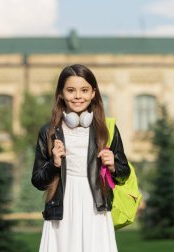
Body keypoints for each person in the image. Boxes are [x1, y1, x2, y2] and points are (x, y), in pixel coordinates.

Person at [31, 64, 131, 252]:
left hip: (95, 205)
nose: (78, 96)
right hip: (62, 209)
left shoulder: (106, 130)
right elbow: (37, 180)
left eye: (84, 90)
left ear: (93, 93)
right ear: (61, 93)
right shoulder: (49, 132)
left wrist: (113, 166)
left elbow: (124, 174)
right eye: (71, 90)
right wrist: (54, 164)